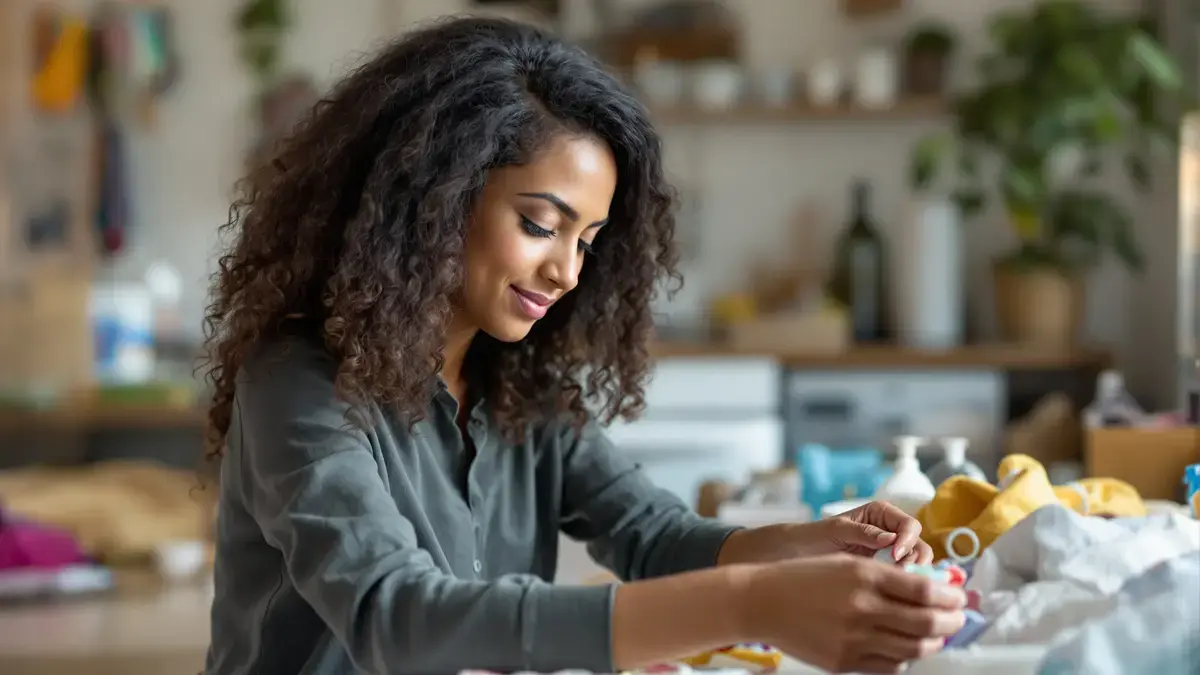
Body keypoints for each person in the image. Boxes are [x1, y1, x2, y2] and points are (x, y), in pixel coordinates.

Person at [201, 16, 964, 675]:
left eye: (587, 242)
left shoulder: (517, 386)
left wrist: (815, 545)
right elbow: (395, 614)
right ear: (433, 196)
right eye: (540, 224)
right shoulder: (296, 381)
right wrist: (753, 602)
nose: (566, 271)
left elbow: (653, 535)